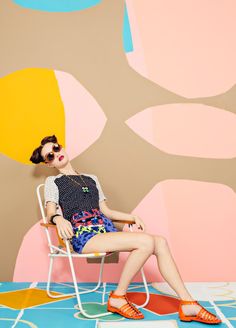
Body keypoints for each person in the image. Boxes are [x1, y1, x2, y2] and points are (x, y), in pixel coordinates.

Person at [30, 134, 221, 323]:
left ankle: (187, 302)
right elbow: (50, 212)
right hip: (83, 235)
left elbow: (106, 211)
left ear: (61, 147)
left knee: (160, 241)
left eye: (56, 148)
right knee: (146, 242)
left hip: (104, 229)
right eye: (50, 156)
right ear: (48, 164)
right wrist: (58, 219)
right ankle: (118, 297)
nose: (56, 154)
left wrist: (131, 217)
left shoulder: (91, 179)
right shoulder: (53, 182)